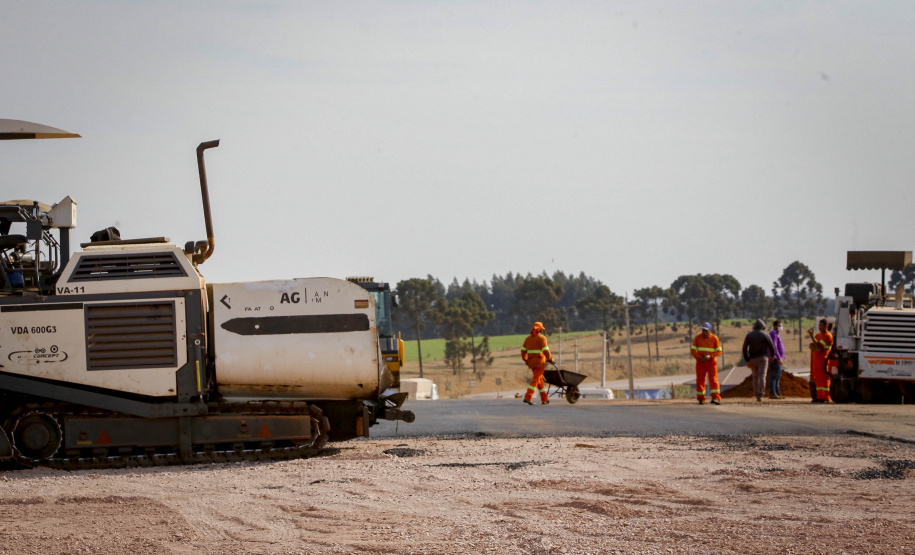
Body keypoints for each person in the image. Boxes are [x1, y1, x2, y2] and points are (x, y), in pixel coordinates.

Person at [742, 319, 777, 402]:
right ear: (762, 326)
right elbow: (772, 347)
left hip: (753, 359)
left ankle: (756, 393)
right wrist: (772, 356)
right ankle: (760, 394)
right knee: (762, 375)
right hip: (763, 358)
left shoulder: (749, 335)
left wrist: (747, 360)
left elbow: (744, 348)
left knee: (755, 376)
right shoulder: (765, 334)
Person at [520, 321, 553, 405]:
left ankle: (544, 399)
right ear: (541, 330)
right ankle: (528, 397)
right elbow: (546, 350)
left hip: (531, 363)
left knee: (539, 380)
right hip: (539, 363)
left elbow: (523, 351)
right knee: (536, 380)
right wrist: (550, 358)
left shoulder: (528, 339)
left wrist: (526, 359)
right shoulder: (542, 338)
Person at [691, 322, 722, 405]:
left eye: (706, 330)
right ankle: (701, 399)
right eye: (703, 330)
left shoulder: (714, 338)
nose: (704, 332)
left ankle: (715, 398)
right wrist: (699, 357)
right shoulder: (698, 337)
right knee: (700, 379)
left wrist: (710, 356)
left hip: (711, 362)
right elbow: (693, 350)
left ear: (710, 330)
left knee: (713, 379)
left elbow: (719, 351)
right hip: (701, 362)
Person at [808, 319, 834, 403]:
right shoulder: (818, 335)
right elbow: (812, 346)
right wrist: (816, 347)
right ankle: (820, 397)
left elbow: (820, 347)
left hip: (824, 361)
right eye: (819, 326)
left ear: (826, 326)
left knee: (824, 379)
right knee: (818, 379)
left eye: (821, 326)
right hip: (816, 361)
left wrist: (812, 337)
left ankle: (826, 397)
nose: (819, 327)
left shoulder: (828, 336)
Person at [767, 320, 787, 399]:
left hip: (777, 359)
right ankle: (773, 393)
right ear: (775, 326)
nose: (781, 327)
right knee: (774, 376)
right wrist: (779, 358)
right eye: (779, 326)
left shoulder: (776, 334)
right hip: (775, 359)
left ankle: (777, 393)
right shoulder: (774, 334)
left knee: (777, 376)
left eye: (781, 325)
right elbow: (774, 347)